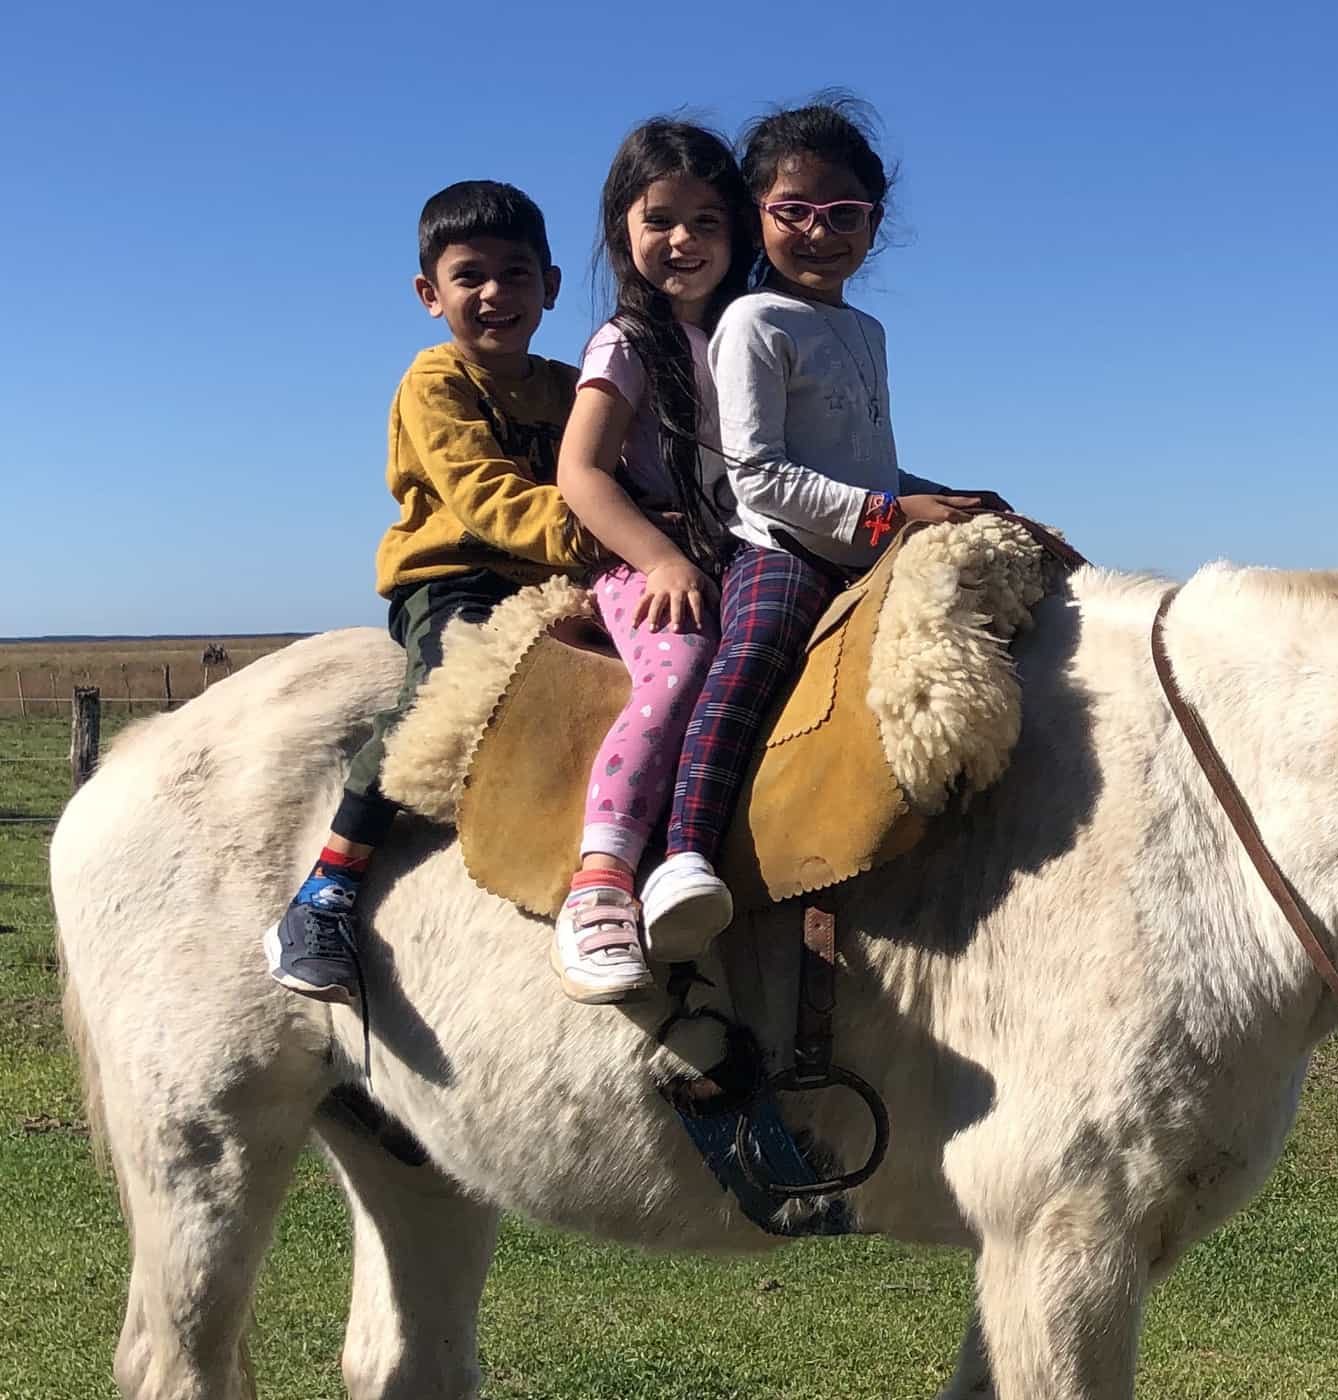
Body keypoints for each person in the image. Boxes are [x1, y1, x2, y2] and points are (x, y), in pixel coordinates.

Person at [635, 94, 992, 958]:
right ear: (759, 218)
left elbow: (868, 462)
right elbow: (759, 471)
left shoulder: (865, 329)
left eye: (843, 214)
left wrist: (946, 495)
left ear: (873, 223)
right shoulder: (753, 322)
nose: (819, 232)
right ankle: (683, 854)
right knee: (751, 657)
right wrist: (888, 513)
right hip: (782, 549)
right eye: (792, 212)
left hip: (864, 548)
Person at [265, 180, 586, 1003]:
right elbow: (485, 498)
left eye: (516, 274)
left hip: (564, 577)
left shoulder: (571, 387)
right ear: (429, 294)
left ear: (550, 286)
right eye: (469, 275)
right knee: (443, 691)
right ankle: (328, 887)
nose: (494, 294)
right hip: (455, 577)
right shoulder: (435, 384)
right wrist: (610, 533)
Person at [546, 117, 763, 1003]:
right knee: (678, 671)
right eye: (661, 219)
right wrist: (663, 559)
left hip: (741, 550)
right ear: (620, 232)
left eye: (707, 221)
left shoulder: (753, 334)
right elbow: (580, 471)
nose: (684, 241)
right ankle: (600, 876)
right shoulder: (625, 345)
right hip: (652, 557)